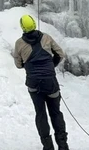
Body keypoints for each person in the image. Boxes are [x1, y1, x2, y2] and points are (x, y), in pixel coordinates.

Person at [13, 15, 69, 150]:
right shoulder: (46, 38)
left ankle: (48, 146)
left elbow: (18, 65)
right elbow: (60, 54)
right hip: (51, 82)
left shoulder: (19, 43)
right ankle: (63, 145)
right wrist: (51, 66)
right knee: (56, 113)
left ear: (23, 27)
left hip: (34, 84)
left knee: (41, 113)